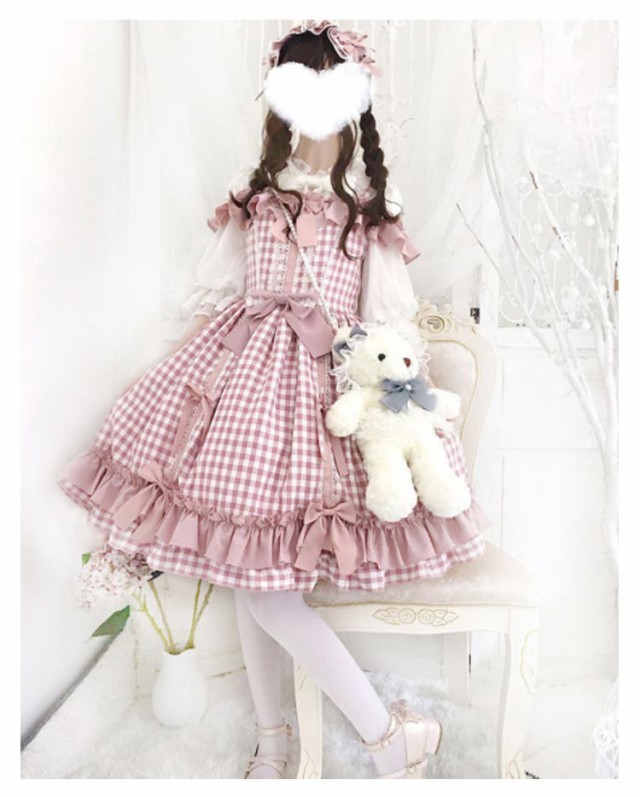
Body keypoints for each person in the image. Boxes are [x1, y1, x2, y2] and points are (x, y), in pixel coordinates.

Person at [57, 20, 491, 779]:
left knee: (267, 591)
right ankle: (275, 738)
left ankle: (383, 735)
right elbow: (220, 294)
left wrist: (396, 398)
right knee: (247, 577)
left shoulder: (368, 210)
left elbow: (386, 320)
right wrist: (161, 379)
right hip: (242, 389)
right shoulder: (255, 197)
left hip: (317, 400)